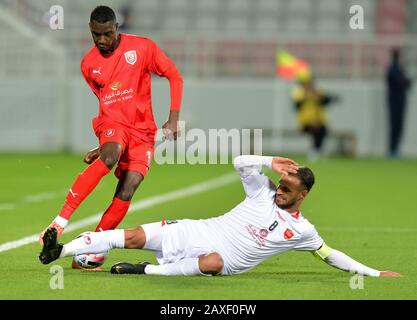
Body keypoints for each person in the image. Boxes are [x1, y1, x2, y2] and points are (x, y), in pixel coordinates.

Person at [39, 155, 400, 278]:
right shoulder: (262, 189)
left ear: (303, 195)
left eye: (287, 188)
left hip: (223, 260)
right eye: (280, 181)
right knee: (132, 235)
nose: (280, 189)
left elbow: (329, 254)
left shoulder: (303, 231)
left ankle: (145, 270)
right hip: (200, 230)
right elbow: (240, 162)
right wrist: (268, 161)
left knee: (211, 263)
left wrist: (371, 272)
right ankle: (62, 250)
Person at [38, 5, 183, 269]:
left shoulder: (143, 47)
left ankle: (91, 248)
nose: (101, 40)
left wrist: (173, 118)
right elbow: (106, 104)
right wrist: (105, 143)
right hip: (114, 123)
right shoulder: (88, 65)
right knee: (110, 156)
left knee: (128, 188)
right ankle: (59, 223)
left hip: (143, 132)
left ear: (116, 28)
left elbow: (174, 75)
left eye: (106, 34)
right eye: (96, 35)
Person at [291, 76, 338, 161]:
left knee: (322, 131)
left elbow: (327, 100)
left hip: (319, 121)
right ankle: (315, 151)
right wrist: (306, 96)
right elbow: (297, 105)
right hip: (305, 122)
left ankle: (317, 151)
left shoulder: (317, 92)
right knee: (316, 130)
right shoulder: (299, 93)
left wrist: (319, 98)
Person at [386, 48, 411, 159]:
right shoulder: (391, 69)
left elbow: (407, 84)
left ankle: (396, 149)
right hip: (393, 101)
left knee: (399, 126)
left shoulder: (401, 69)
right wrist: (404, 81)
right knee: (394, 125)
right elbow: (402, 83)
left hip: (401, 100)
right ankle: (392, 149)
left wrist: (405, 81)